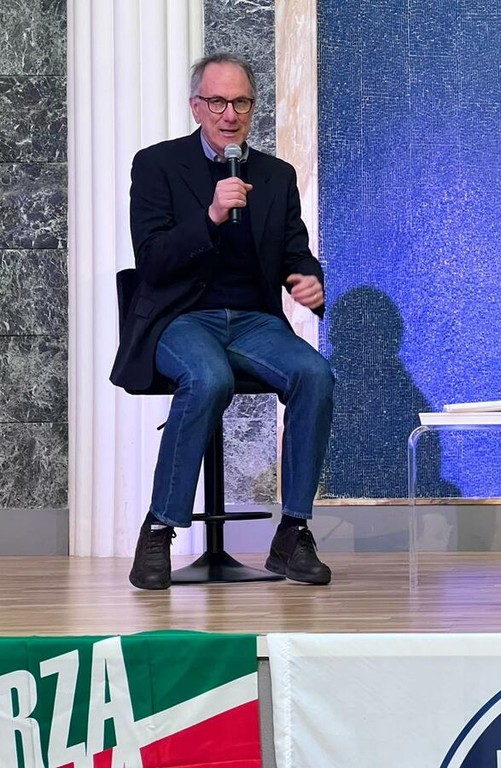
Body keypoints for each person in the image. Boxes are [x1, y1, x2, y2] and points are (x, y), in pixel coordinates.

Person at [110, 52, 335, 590]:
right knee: (209, 378)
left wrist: (307, 280)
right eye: (217, 102)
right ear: (196, 107)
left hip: (255, 322)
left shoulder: (276, 176)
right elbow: (153, 261)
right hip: (181, 317)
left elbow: (294, 251)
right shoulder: (158, 165)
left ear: (252, 108)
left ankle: (293, 533)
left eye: (240, 102)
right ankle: (159, 528)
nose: (229, 114)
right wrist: (211, 215)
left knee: (315, 374)